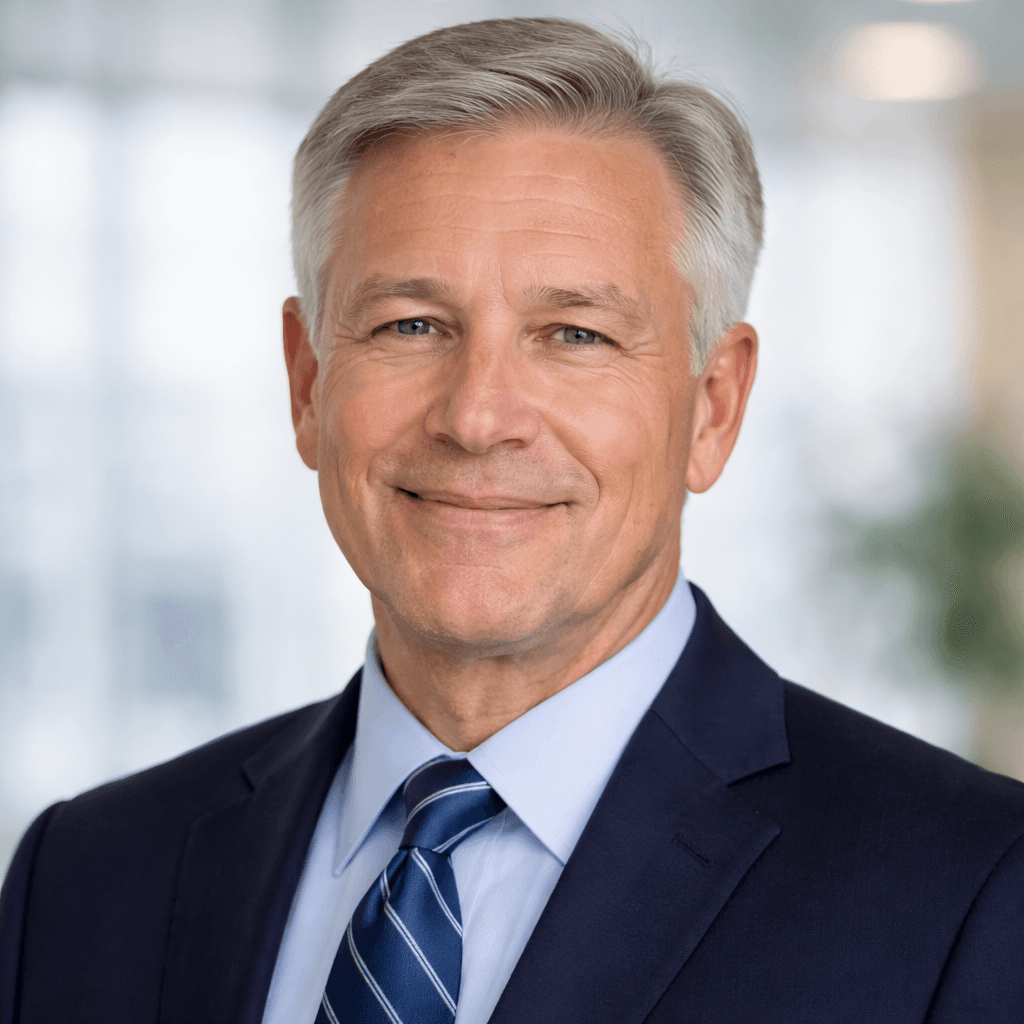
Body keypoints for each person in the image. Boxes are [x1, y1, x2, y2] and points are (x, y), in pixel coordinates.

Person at [2, 15, 1023, 1024]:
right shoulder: (83, 875)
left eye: (574, 333)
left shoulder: (971, 892)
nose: (477, 416)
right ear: (307, 380)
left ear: (713, 405)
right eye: (410, 324)